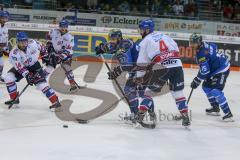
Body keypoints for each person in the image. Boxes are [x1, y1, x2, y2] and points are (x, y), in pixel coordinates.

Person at [135, 19, 190, 127]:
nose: (140, 32)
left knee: (149, 93)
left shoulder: (145, 41)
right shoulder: (165, 36)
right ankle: (185, 118)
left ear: (147, 30)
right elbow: (176, 49)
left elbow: (141, 63)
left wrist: (140, 77)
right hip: (177, 65)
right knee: (178, 93)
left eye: (141, 30)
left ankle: (139, 117)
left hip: (162, 68)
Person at [95, 29, 156, 125]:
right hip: (137, 70)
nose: (111, 40)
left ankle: (139, 114)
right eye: (110, 38)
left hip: (143, 71)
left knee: (137, 92)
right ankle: (139, 114)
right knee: (132, 91)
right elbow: (110, 47)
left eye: (113, 38)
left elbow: (127, 65)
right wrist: (101, 48)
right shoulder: (120, 43)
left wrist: (116, 72)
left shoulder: (125, 45)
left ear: (119, 38)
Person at [3, 32, 61, 111]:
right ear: (17, 42)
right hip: (23, 68)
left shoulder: (33, 43)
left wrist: (46, 57)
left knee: (41, 84)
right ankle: (14, 99)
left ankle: (55, 102)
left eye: (25, 41)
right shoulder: (14, 54)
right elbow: (20, 68)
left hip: (35, 66)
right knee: (9, 78)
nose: (24, 44)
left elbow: (42, 47)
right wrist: (27, 75)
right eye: (21, 42)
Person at [189, 33, 233, 121]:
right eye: (191, 42)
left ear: (199, 42)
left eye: (194, 43)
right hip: (214, 69)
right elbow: (214, 46)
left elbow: (205, 71)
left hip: (222, 69)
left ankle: (228, 113)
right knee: (206, 87)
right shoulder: (206, 44)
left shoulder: (201, 54)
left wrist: (197, 80)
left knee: (215, 91)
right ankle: (215, 108)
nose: (192, 45)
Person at [43, 19, 78, 92]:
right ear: (59, 26)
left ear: (67, 27)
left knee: (67, 68)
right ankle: (41, 79)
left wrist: (61, 57)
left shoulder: (70, 37)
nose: (63, 28)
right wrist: (49, 44)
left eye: (64, 27)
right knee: (50, 66)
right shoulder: (54, 31)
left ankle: (72, 84)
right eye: (61, 26)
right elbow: (47, 36)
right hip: (55, 52)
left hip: (67, 54)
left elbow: (68, 50)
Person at [0, 11, 9, 82]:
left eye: (6, 18)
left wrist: (6, 48)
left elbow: (6, 38)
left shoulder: (6, 27)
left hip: (2, 48)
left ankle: (0, 76)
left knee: (1, 64)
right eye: (3, 18)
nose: (4, 19)